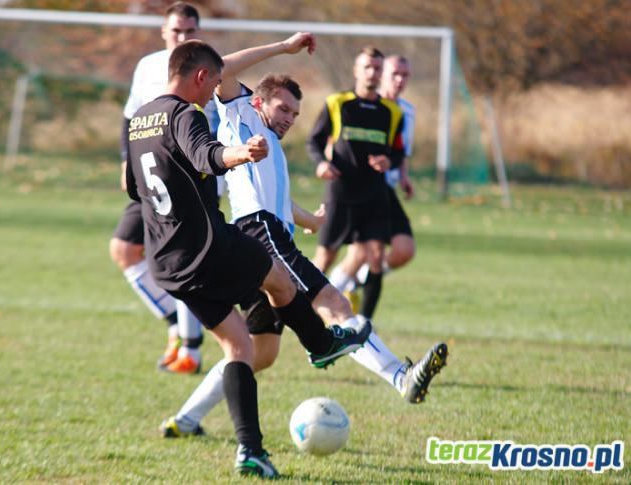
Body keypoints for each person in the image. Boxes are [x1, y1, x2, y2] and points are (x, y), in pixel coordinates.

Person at [158, 39, 448, 440]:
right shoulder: (240, 111)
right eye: (283, 108)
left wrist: (309, 219)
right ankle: (401, 377)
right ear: (258, 102)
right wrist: (285, 47)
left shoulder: (268, 146)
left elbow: (272, 196)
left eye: (295, 113)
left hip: (260, 235)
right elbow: (222, 65)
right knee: (334, 304)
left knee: (260, 352)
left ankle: (185, 418)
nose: (290, 118)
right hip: (263, 236)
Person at [125, 39, 371, 478]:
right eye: (212, 82)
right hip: (204, 244)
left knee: (239, 346)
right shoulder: (184, 113)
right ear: (200, 78)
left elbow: (132, 184)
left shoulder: (141, 119)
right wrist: (241, 153)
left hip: (167, 261)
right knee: (277, 278)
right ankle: (321, 343)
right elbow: (209, 155)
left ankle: (251, 451)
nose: (214, 90)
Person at [111, 2, 211, 374]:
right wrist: (126, 160)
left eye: (190, 31)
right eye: (177, 32)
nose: (183, 38)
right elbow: (130, 116)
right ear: (164, 32)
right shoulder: (149, 66)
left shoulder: (212, 66)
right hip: (152, 177)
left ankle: (192, 350)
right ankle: (176, 326)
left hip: (192, 182)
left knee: (184, 263)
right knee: (124, 249)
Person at [308, 46, 404, 323]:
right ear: (356, 71)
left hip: (374, 194)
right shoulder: (337, 103)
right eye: (367, 67)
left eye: (377, 68)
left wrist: (389, 162)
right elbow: (313, 140)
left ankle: (365, 325)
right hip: (341, 192)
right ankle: (301, 314)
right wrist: (321, 163)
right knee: (324, 258)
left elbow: (398, 150)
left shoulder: (391, 112)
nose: (372, 73)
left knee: (375, 257)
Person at [329, 55, 416, 312]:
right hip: (359, 189)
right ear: (380, 74)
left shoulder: (406, 111)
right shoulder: (361, 104)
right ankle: (326, 304)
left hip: (385, 189)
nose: (399, 80)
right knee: (358, 254)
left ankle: (354, 287)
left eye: (405, 75)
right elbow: (335, 140)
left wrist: (404, 176)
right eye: (394, 74)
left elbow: (401, 149)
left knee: (403, 250)